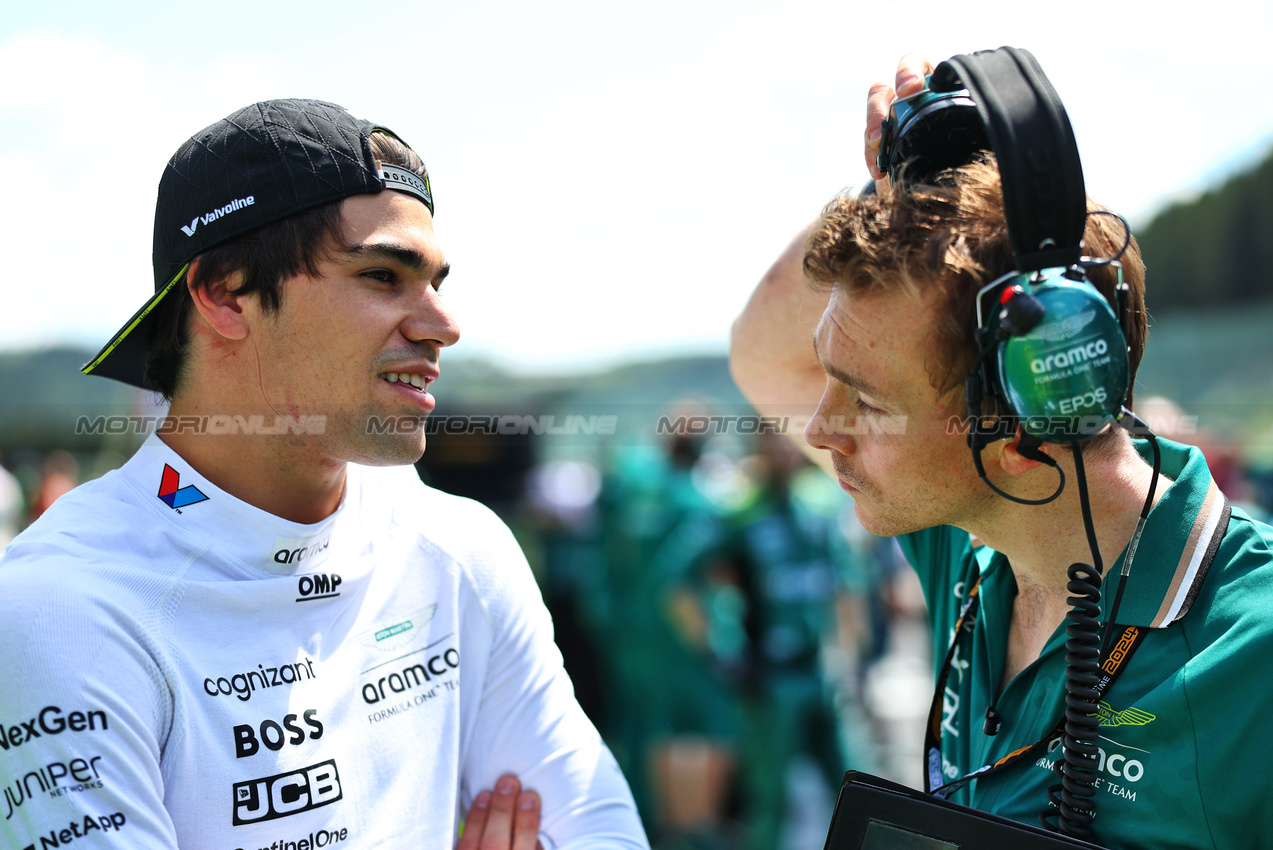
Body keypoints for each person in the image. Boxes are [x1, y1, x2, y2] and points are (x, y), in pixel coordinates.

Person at [0, 99, 647, 850]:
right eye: (382, 275)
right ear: (224, 292)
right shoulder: (58, 609)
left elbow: (600, 829)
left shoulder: (458, 550)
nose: (442, 325)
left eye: (435, 281)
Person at [729, 53, 1273, 849]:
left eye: (868, 402)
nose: (817, 428)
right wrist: (900, 188)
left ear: (1025, 428)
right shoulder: (967, 539)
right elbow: (761, 357)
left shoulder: (1253, 649)